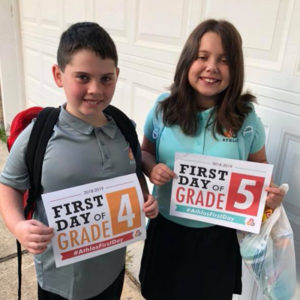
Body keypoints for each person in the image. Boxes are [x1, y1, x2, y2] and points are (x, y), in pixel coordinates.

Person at [0, 22, 158, 300]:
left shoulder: (123, 127)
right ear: (58, 75)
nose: (95, 89)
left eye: (106, 78)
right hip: (60, 281)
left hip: (111, 269)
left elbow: (132, 173)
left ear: (117, 76)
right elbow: (9, 185)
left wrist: (144, 198)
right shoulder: (39, 134)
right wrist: (17, 226)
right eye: (83, 77)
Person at [138, 19, 285, 300]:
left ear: (235, 68)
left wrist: (270, 195)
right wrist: (151, 168)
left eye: (224, 60)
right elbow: (145, 152)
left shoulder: (247, 118)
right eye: (202, 57)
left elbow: (260, 171)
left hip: (218, 238)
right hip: (167, 229)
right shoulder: (162, 109)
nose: (211, 67)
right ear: (187, 61)